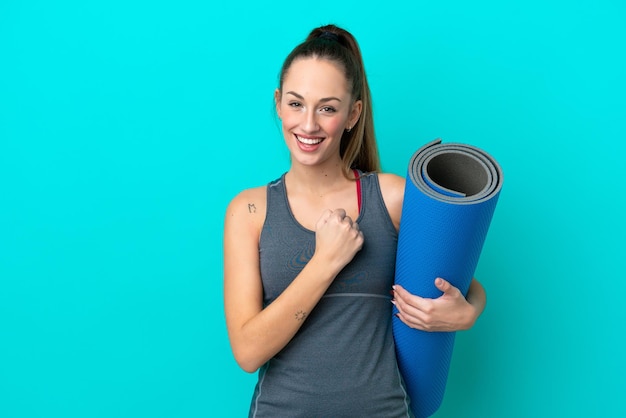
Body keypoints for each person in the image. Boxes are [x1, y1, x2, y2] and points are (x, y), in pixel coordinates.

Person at [223, 24, 487, 417]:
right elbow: (247, 351)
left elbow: (464, 284)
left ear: (352, 114)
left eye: (327, 108)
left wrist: (468, 313)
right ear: (278, 103)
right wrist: (325, 260)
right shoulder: (250, 211)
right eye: (296, 104)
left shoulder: (393, 197)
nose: (308, 124)